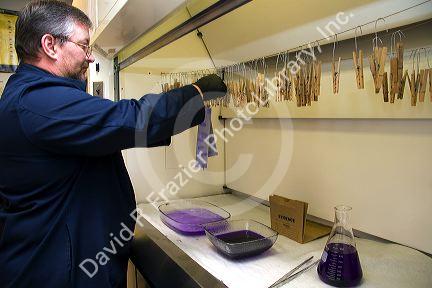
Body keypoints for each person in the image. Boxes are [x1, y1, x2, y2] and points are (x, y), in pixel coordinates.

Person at [0, 1, 227, 287]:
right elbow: (127, 119)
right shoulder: (36, 101)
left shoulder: (31, 95)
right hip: (57, 271)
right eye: (83, 46)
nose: (90, 57)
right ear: (50, 45)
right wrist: (195, 93)